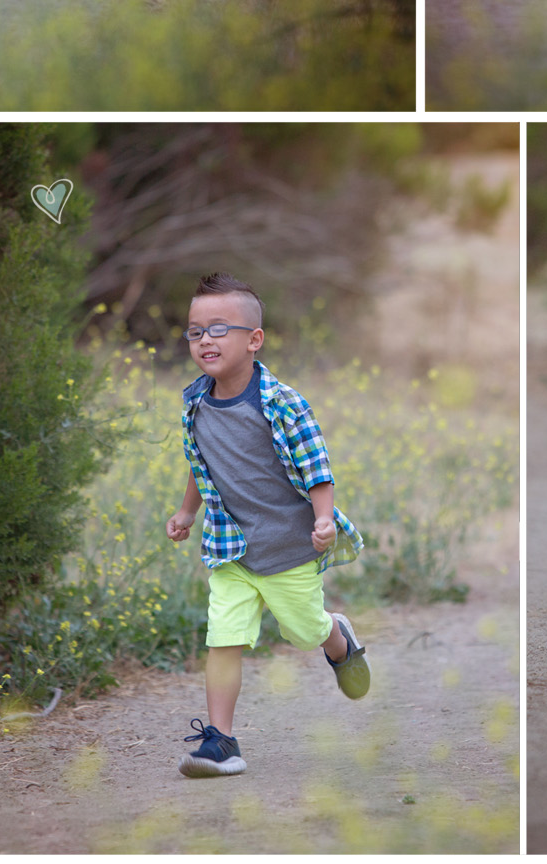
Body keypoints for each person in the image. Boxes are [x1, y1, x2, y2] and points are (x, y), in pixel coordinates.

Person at [166, 274, 369, 780]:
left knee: (303, 632)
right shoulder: (196, 403)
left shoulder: (282, 403)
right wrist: (188, 512)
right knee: (223, 639)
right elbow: (200, 463)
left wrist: (324, 519)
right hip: (231, 550)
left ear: (254, 339)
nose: (205, 340)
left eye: (219, 329)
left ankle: (335, 635)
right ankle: (221, 741)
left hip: (287, 550)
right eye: (195, 331)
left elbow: (316, 468)